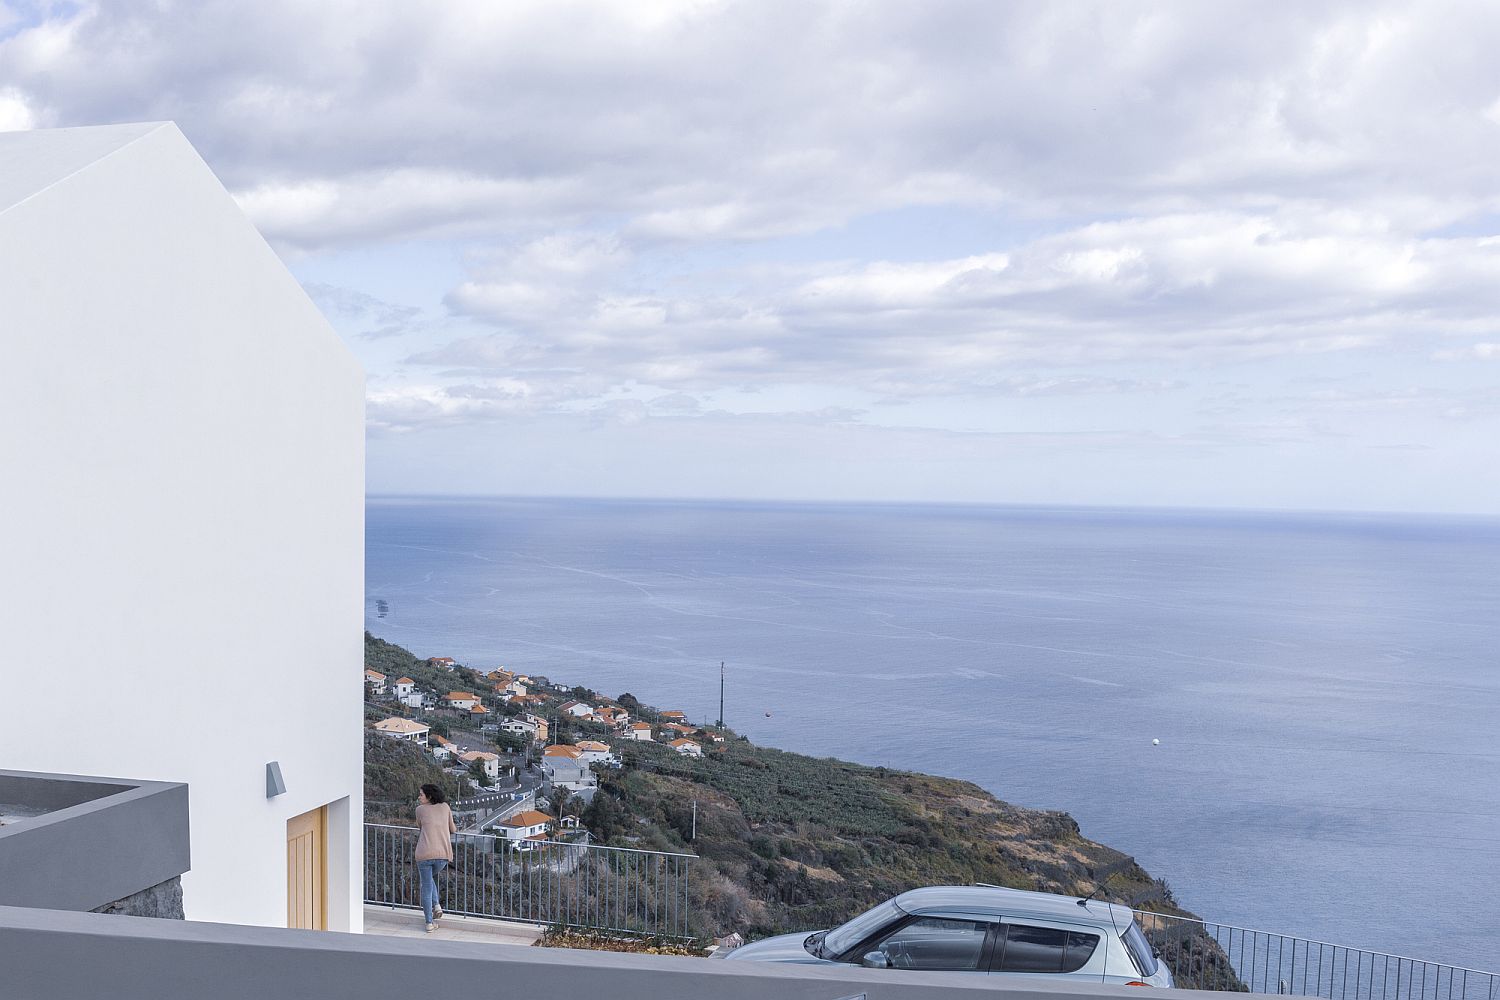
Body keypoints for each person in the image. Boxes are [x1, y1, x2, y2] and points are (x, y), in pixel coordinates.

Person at [414, 783, 456, 932]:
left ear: (429, 796)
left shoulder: (420, 810)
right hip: (443, 855)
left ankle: (429, 923)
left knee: (426, 885)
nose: (418, 797)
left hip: (424, 854)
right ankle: (436, 905)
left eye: (421, 795)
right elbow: (453, 829)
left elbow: (420, 826)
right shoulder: (445, 807)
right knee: (428, 881)